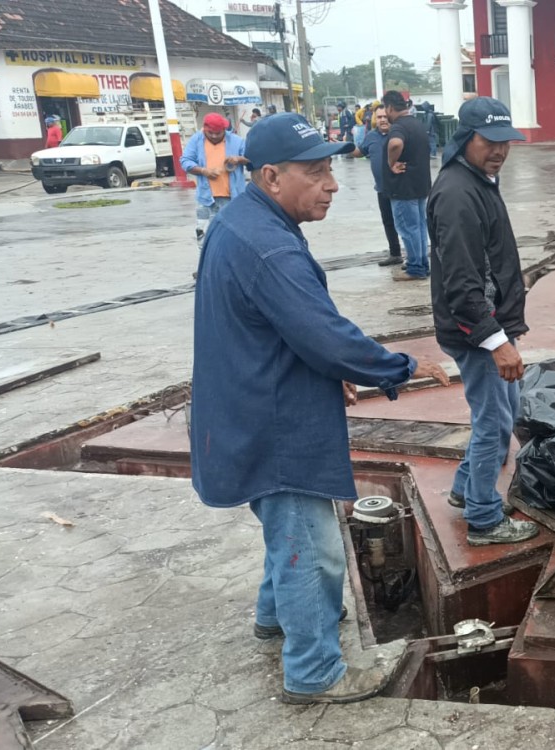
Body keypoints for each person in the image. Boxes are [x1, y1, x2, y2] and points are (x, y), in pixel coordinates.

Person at [190, 112, 450, 704]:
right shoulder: (268, 247)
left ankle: (274, 619)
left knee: (285, 530)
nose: (332, 184)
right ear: (272, 176)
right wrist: (397, 366)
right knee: (311, 544)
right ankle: (314, 674)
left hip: (247, 401)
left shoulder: (242, 222)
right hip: (275, 421)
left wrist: (326, 373)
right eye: (316, 172)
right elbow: (324, 335)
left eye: (331, 169)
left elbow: (275, 327)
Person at [429, 96, 538, 546]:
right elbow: (462, 283)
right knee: (493, 422)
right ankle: (484, 520)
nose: (499, 151)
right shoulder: (458, 194)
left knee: (503, 412)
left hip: (489, 326)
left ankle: (464, 490)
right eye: (489, 141)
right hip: (476, 332)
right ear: (466, 139)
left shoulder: (477, 181)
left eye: (505, 142)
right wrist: (497, 341)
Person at [382, 91, 432, 281]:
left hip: (403, 188)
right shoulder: (416, 124)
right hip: (419, 186)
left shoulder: (399, 127)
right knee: (419, 227)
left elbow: (395, 144)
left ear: (389, 107)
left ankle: (415, 268)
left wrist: (390, 162)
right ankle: (422, 264)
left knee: (407, 228)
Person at [180, 113, 247, 249]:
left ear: (224, 129)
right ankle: (206, 268)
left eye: (218, 133)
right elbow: (185, 161)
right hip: (206, 199)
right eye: (210, 133)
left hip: (232, 198)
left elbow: (252, 158)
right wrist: (204, 171)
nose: (215, 136)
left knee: (233, 234)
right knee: (203, 234)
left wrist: (239, 159)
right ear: (204, 129)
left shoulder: (236, 141)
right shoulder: (196, 140)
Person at [353, 105, 403, 267]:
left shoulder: (398, 134)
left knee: (406, 224)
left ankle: (416, 257)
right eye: (379, 117)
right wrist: (341, 146)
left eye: (384, 116)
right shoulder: (372, 136)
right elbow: (359, 152)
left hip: (400, 188)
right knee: (388, 222)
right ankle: (395, 254)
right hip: (382, 189)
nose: (382, 120)